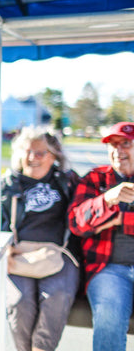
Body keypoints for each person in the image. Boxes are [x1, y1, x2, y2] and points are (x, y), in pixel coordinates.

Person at [1, 127, 80, 351]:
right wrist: (3, 246)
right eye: (27, 151)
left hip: (59, 253)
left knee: (57, 295)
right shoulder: (8, 184)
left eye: (40, 153)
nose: (32, 158)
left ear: (54, 156)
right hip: (18, 253)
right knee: (20, 301)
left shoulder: (68, 181)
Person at [69, 121, 134, 351]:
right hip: (108, 269)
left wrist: (119, 221)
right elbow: (76, 223)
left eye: (125, 143)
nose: (118, 151)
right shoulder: (95, 179)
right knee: (108, 314)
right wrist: (107, 200)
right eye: (112, 145)